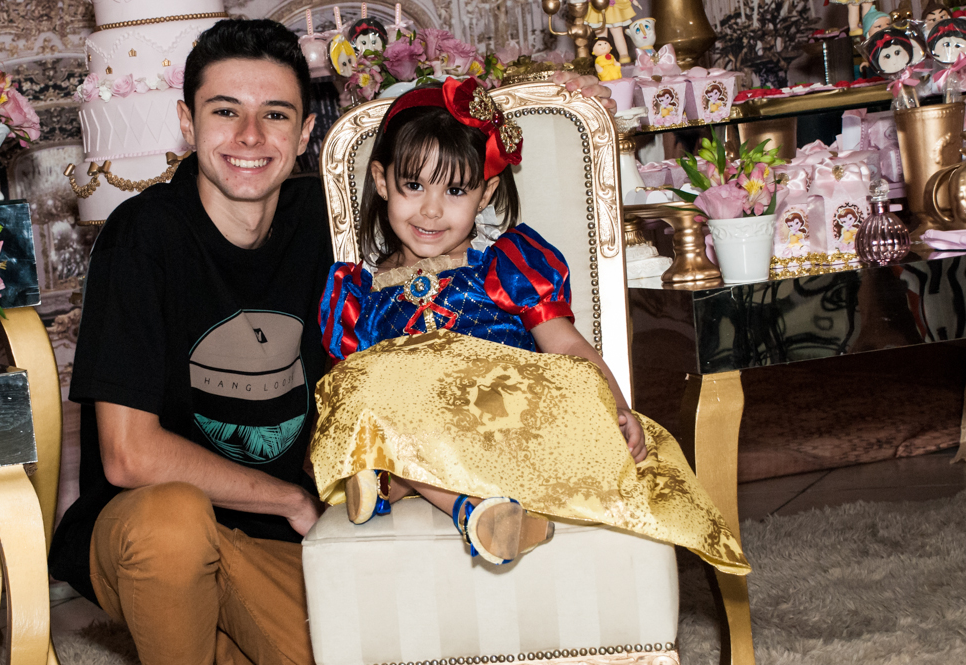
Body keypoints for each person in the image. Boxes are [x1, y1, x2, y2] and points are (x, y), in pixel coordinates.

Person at [50, 19, 617, 665]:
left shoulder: (334, 220)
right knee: (171, 526)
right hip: (157, 523)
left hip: (275, 540)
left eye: (275, 114)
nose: (250, 136)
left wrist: (567, 91)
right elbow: (128, 456)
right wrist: (288, 496)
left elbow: (431, 148)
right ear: (186, 123)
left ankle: (199, 634)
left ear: (308, 130)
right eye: (224, 111)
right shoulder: (140, 238)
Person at [314, 77, 751, 576]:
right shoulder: (359, 298)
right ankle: (467, 507)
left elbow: (566, 345)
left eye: (456, 189)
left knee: (574, 380)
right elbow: (350, 393)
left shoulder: (506, 267)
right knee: (361, 384)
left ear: (486, 193)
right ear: (381, 180)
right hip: (421, 430)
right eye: (413, 185)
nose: (431, 210)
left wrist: (616, 405)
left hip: (505, 420)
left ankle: (397, 480)